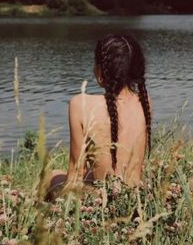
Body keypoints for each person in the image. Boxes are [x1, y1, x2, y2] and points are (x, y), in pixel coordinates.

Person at [45, 34, 152, 201]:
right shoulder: (145, 102)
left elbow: (76, 174)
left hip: (101, 201)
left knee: (50, 176)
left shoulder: (80, 104)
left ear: (100, 70)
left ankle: (43, 217)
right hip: (134, 198)